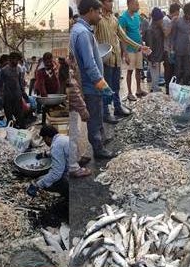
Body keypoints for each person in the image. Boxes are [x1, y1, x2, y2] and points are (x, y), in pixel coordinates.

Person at [71, 0, 116, 159]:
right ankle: (98, 148)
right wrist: (103, 85)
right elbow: (90, 65)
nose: (100, 16)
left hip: (90, 83)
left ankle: (101, 140)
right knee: (94, 117)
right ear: (90, 11)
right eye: (98, 12)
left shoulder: (81, 29)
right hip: (90, 85)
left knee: (96, 115)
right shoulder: (82, 33)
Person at [118, 0, 150, 100]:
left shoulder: (137, 16)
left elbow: (138, 31)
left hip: (139, 48)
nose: (138, 6)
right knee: (130, 71)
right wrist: (125, 53)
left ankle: (139, 90)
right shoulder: (123, 18)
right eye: (136, 4)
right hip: (130, 49)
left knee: (139, 69)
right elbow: (122, 37)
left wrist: (142, 45)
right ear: (129, 4)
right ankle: (129, 92)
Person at [28, 125, 70, 197]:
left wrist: (38, 185)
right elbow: (61, 153)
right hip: (75, 166)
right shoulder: (62, 138)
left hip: (71, 176)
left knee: (46, 181)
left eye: (44, 139)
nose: (45, 142)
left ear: (47, 137)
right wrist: (45, 154)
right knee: (47, 177)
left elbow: (56, 173)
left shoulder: (56, 145)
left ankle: (67, 196)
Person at [171, 2, 190, 86]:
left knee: (187, 71)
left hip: (188, 50)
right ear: (185, 12)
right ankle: (175, 87)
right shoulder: (177, 21)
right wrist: (172, 49)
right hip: (178, 49)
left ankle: (185, 87)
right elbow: (173, 35)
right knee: (177, 71)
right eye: (189, 14)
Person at [145, 8, 166, 93]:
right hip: (153, 57)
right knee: (155, 77)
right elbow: (149, 47)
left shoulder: (159, 28)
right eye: (160, 19)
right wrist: (152, 60)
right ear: (156, 19)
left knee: (156, 77)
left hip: (158, 56)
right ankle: (155, 92)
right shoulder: (150, 30)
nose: (162, 21)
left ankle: (155, 90)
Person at [163, 3, 181, 93]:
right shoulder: (166, 20)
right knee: (168, 71)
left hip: (174, 50)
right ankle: (167, 89)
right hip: (167, 50)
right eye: (178, 12)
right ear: (175, 11)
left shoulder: (176, 20)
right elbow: (165, 34)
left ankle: (173, 89)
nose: (178, 14)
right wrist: (172, 23)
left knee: (174, 71)